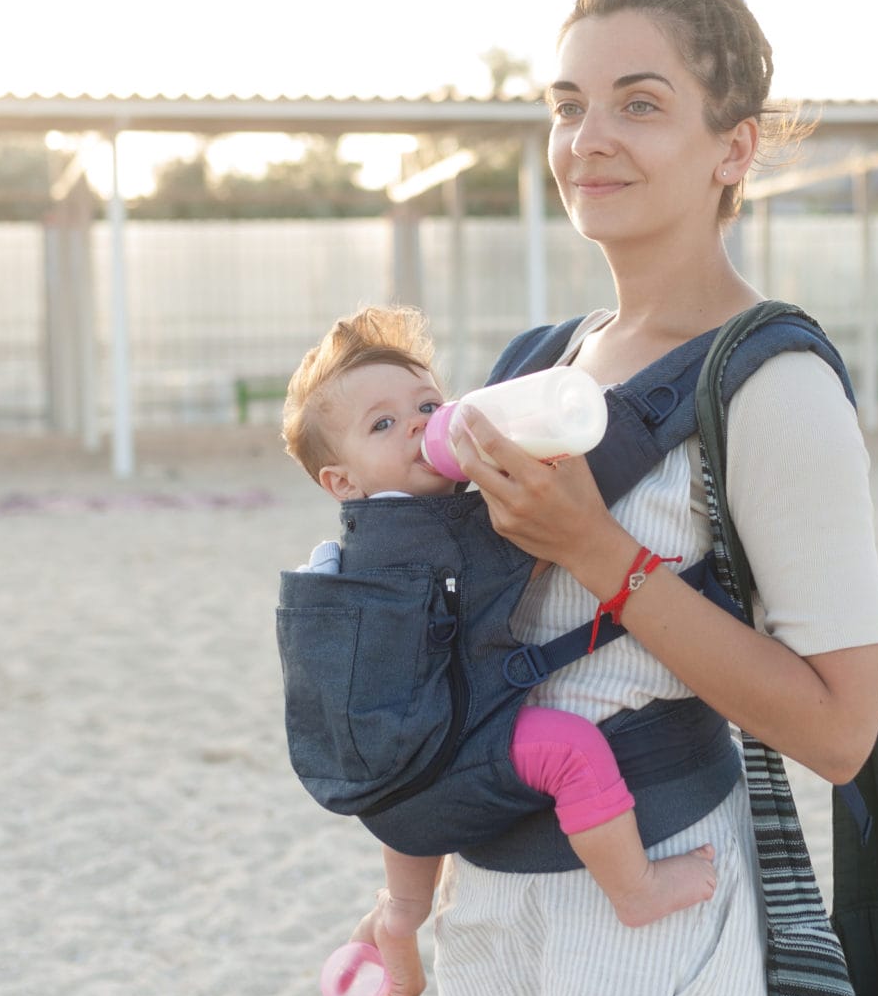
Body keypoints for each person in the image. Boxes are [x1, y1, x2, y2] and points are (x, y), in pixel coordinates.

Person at [332, 0, 878, 996]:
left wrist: (606, 555)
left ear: (733, 145)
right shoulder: (535, 363)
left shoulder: (771, 384)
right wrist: (401, 904)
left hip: (657, 890)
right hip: (494, 890)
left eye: (642, 102)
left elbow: (838, 726)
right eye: (569, 103)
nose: (591, 137)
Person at [278, 303, 723, 943]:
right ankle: (635, 888)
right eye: (383, 424)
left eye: (429, 407)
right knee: (571, 750)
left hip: (389, 784)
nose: (417, 427)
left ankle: (402, 911)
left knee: (409, 785)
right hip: (452, 748)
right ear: (342, 480)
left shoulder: (359, 546)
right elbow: (535, 540)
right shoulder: (418, 534)